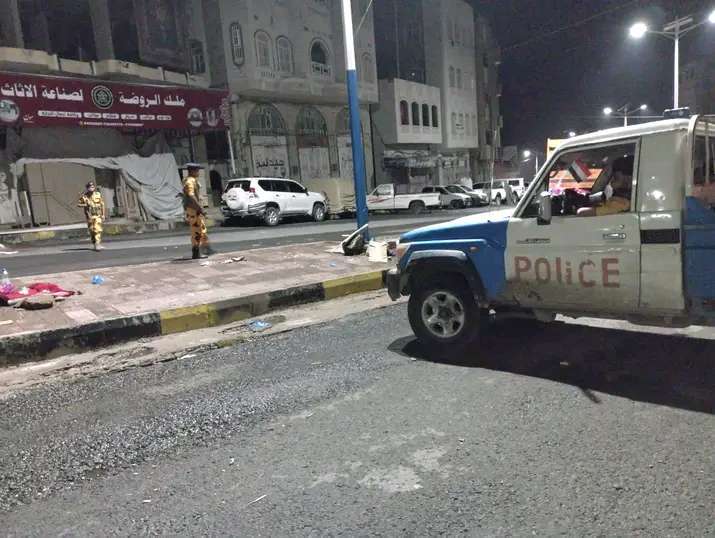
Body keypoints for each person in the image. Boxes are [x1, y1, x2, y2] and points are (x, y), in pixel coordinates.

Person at [182, 163, 214, 259]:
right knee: (196, 231)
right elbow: (191, 196)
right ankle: (196, 253)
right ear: (192, 171)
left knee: (201, 229)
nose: (198, 173)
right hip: (193, 209)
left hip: (194, 209)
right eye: (197, 171)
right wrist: (200, 208)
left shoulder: (190, 180)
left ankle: (205, 248)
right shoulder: (189, 181)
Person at [77, 182, 106, 251]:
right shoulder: (84, 197)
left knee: (97, 229)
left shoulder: (98, 194)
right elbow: (78, 204)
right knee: (92, 230)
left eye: (93, 187)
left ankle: (97, 244)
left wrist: (103, 214)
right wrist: (85, 205)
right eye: (90, 187)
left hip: (97, 215)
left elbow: (102, 204)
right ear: (87, 188)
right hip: (89, 216)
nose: (91, 188)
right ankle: (94, 243)